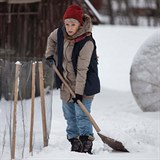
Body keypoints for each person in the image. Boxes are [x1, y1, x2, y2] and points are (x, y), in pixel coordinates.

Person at [45, 4, 100, 154]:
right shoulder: (61, 33)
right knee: (69, 115)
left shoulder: (86, 42)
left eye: (73, 24)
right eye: (67, 24)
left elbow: (83, 71)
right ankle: (74, 141)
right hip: (66, 82)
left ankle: (86, 142)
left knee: (82, 115)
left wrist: (79, 93)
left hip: (85, 85)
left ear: (79, 24)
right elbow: (51, 38)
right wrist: (49, 55)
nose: (69, 28)